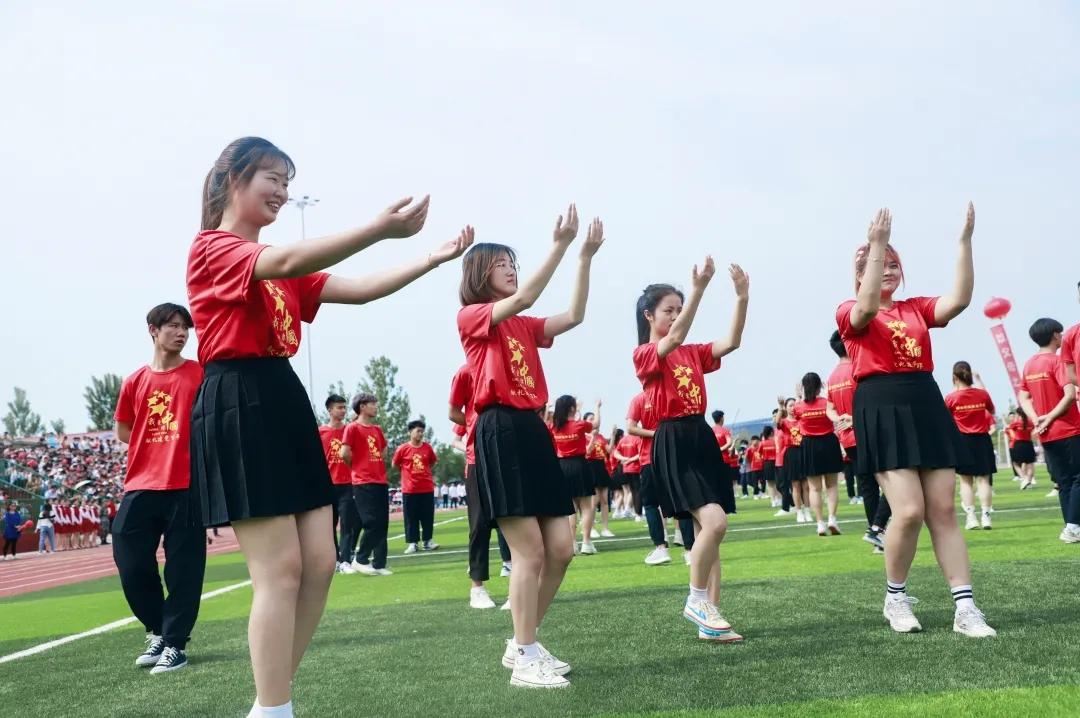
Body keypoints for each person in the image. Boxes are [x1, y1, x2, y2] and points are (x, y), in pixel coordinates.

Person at [186, 137, 471, 717]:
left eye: (288, 183)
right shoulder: (213, 249)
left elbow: (361, 291)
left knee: (319, 565)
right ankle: (274, 709)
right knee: (281, 570)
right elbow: (288, 261)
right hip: (238, 399)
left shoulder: (282, 265)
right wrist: (376, 228)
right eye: (272, 178)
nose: (283, 193)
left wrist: (429, 259)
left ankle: (270, 702)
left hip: (284, 399)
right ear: (232, 179)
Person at [457, 206, 604, 688]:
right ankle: (524, 654)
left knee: (560, 549)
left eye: (513, 263)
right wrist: (558, 244)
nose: (511, 269)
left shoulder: (523, 324)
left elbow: (575, 315)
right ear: (481, 274)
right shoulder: (475, 315)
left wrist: (583, 255)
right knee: (530, 553)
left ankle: (524, 641)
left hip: (532, 430)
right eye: (502, 263)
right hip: (499, 429)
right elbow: (525, 296)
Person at [836, 204, 994, 637]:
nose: (885, 270)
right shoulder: (849, 310)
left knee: (942, 509)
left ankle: (966, 608)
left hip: (924, 400)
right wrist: (877, 244)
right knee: (907, 511)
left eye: (892, 265)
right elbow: (866, 306)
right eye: (876, 264)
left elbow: (959, 299)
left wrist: (964, 241)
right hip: (880, 405)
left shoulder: (915, 309)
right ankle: (896, 597)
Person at [633, 257, 749, 642]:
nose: (676, 316)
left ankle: (711, 621)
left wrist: (741, 298)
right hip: (674, 440)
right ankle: (696, 599)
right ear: (649, 315)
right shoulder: (646, 355)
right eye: (669, 310)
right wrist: (698, 288)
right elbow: (674, 339)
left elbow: (732, 343)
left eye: (679, 311)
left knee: (710, 535)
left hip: (700, 436)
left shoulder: (693, 352)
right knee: (714, 522)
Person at [112, 303, 208, 673]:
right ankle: (158, 629)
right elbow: (124, 429)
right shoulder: (134, 381)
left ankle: (175, 645)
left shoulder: (199, 374)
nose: (182, 332)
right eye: (173, 325)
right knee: (129, 557)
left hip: (187, 485)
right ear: (153, 330)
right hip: (141, 482)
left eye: (186, 327)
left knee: (184, 568)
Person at [449, 364, 512, 610]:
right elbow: (453, 412)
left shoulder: (509, 366)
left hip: (507, 455)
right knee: (479, 524)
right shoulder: (466, 372)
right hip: (477, 459)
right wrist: (482, 427)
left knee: (513, 521)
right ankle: (477, 588)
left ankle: (516, 588)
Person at [827, 330, 891, 549]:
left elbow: (830, 409)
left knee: (868, 488)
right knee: (892, 481)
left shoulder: (832, 376)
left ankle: (876, 538)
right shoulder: (857, 369)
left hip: (849, 441)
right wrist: (852, 419)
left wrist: (840, 420)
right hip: (867, 434)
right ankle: (878, 528)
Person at [1018, 318, 1080, 543]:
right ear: (1055, 335)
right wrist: (1050, 417)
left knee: (1064, 482)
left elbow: (1023, 396)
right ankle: (1073, 527)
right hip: (1069, 429)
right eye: (1061, 334)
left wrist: (1037, 419)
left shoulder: (1030, 364)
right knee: (1077, 478)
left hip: (1046, 433)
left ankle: (1071, 527)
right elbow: (1070, 394)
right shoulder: (1057, 362)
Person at [341, 393, 392, 576]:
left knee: (382, 524)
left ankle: (379, 564)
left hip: (380, 480)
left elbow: (384, 450)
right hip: (363, 482)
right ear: (362, 406)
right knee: (371, 522)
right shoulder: (352, 428)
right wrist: (357, 467)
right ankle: (360, 559)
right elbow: (344, 453)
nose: (376, 407)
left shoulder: (377, 429)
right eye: (373, 404)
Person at [945, 361, 997, 530]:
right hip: (982, 440)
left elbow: (945, 420)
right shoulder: (982, 394)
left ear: (954, 377)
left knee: (965, 482)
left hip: (962, 441)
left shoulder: (951, 398)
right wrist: (979, 381)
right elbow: (992, 410)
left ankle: (971, 517)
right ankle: (986, 516)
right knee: (984, 481)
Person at [794, 372, 844, 536]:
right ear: (819, 386)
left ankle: (820, 524)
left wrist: (798, 396)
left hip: (809, 446)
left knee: (814, 489)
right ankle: (832, 519)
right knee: (832, 485)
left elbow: (794, 415)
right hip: (829, 443)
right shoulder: (827, 403)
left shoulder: (799, 406)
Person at [552, 396, 600, 555]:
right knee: (586, 507)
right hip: (579, 465)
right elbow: (596, 424)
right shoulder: (578, 424)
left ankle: (572, 544)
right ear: (572, 409)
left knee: (570, 508)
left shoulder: (554, 427)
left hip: (562, 467)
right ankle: (586, 542)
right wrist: (597, 407)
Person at [319, 394, 357, 574]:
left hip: (348, 483)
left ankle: (346, 560)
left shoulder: (350, 430)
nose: (343, 411)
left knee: (347, 524)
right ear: (330, 410)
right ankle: (334, 560)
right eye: (339, 407)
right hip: (327, 486)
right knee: (328, 527)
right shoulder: (320, 433)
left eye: (344, 407)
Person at [393, 419, 440, 554]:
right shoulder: (402, 449)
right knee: (411, 517)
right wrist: (407, 475)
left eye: (422, 431)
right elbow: (395, 465)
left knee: (427, 516)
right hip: (410, 489)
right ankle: (412, 543)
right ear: (410, 432)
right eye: (418, 431)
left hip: (426, 488)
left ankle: (428, 541)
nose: (420, 434)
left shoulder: (427, 447)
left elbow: (432, 462)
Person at [584, 411, 615, 538]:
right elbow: (588, 452)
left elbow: (609, 450)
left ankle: (605, 528)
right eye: (591, 419)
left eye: (594, 419)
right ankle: (590, 528)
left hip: (602, 467)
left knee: (605, 500)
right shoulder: (583, 435)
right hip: (590, 466)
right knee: (593, 501)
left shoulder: (601, 436)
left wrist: (613, 435)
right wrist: (592, 437)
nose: (594, 421)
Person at [1005, 409, 1037, 489]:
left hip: (1019, 444)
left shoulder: (1016, 423)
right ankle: (1028, 481)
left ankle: (1024, 478)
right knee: (1030, 464)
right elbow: (1033, 430)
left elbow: (1008, 428)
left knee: (1015, 463)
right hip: (1029, 444)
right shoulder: (1030, 423)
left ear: (1018, 414)